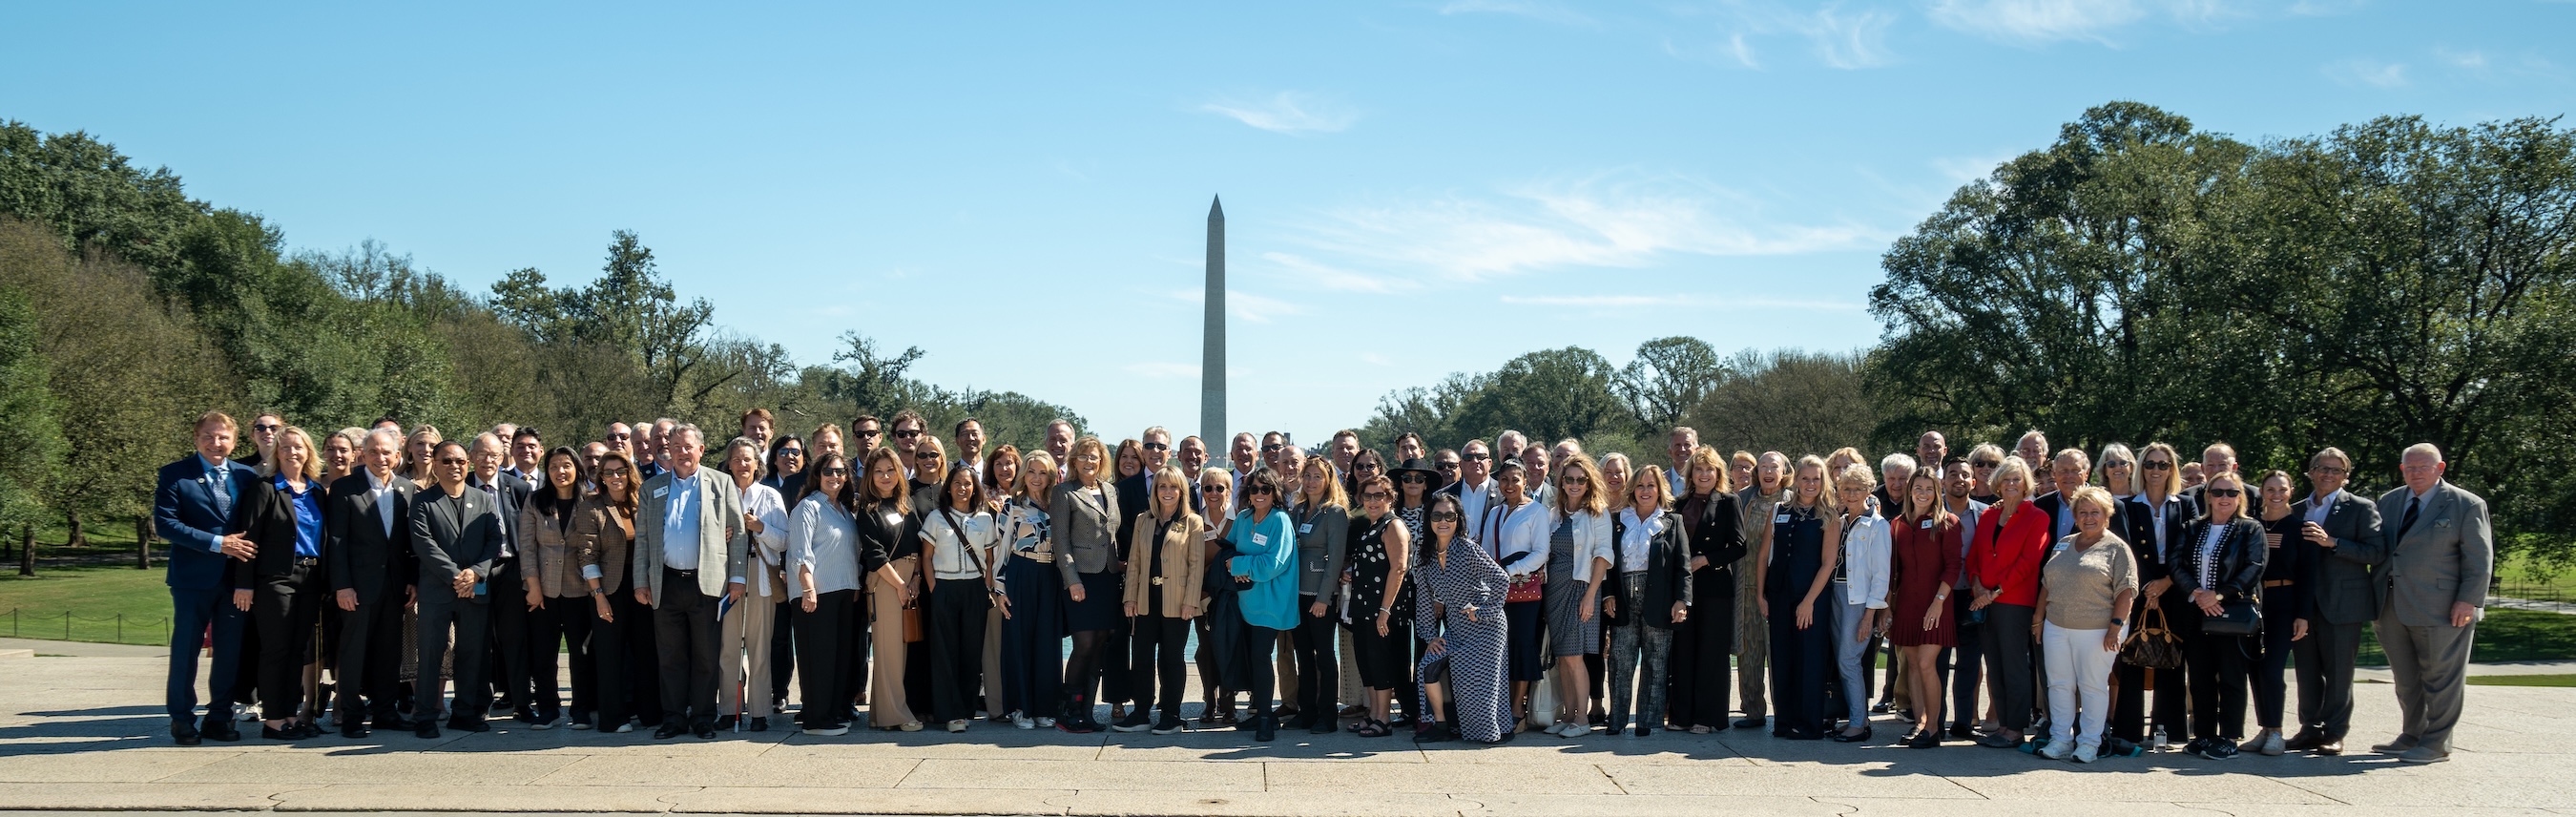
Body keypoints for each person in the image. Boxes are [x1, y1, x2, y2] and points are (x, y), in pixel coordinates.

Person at [2372, 443, 2491, 765]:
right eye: (2409, 467)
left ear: (2440, 468)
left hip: (2443, 607)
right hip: (2391, 603)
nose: (2416, 473)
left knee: (2441, 678)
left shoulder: (2466, 504)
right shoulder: (2390, 501)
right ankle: (2412, 735)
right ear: (2401, 470)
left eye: (2423, 467)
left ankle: (2437, 743)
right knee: (2406, 678)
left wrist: (2468, 601)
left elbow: (2480, 560)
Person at [632, 425, 750, 741]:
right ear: (667, 449)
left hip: (706, 583)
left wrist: (738, 578)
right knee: (670, 655)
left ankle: (702, 717)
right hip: (665, 582)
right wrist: (640, 581)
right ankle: (672, 717)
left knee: (706, 655)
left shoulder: (721, 483)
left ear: (701, 449)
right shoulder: (652, 488)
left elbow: (738, 532)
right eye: (676, 446)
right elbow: (642, 537)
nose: (682, 452)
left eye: (688, 446)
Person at [158, 411, 257, 745]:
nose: (216, 443)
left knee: (229, 653)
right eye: (209, 436)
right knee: (186, 651)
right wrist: (218, 544)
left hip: (234, 581)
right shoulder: (175, 475)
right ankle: (182, 719)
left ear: (234, 440)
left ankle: (220, 717)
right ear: (196, 437)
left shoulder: (247, 476)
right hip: (192, 580)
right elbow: (165, 525)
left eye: (223, 437)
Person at [2032, 486, 2139, 763]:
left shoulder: (2117, 548)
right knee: (2058, 684)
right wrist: (2038, 618)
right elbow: (2047, 582)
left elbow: (2126, 591)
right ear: (2075, 515)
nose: (2089, 518)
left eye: (2095, 512)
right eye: (2083, 512)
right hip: (2057, 626)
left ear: (2107, 515)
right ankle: (2060, 739)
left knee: (2092, 685)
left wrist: (2116, 626)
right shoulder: (2065, 543)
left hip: (2098, 630)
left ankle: (2090, 742)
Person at [233, 425, 326, 740]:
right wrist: (244, 584)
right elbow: (248, 539)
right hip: (277, 578)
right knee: (276, 649)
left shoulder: (316, 490)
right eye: (284, 448)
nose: (291, 452)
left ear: (308, 452)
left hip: (311, 577)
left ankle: (290, 713)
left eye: (298, 447)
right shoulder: (265, 488)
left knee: (298, 650)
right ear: (276, 454)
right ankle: (273, 719)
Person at [2290, 447, 2384, 757]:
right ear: (2312, 472)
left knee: (2340, 673)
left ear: (2346, 477)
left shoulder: (2360, 507)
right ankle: (2309, 729)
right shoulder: (2296, 509)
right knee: (2306, 670)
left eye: (2335, 470)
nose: (2328, 474)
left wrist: (2333, 543)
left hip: (2343, 604)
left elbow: (2375, 552)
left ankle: (2334, 732)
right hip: (2304, 605)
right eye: (2322, 468)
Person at [409, 440, 505, 739]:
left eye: (461, 461)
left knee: (472, 654)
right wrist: (456, 576)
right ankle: (425, 715)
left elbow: (494, 541)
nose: (455, 466)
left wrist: (475, 574)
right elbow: (424, 545)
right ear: (435, 465)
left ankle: (465, 713)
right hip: (437, 591)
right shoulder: (423, 501)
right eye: (447, 461)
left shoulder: (484, 499)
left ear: (469, 464)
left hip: (475, 590)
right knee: (431, 655)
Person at [327, 429, 417, 739]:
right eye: (374, 452)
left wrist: (412, 581)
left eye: (387, 452)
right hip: (357, 589)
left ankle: (385, 712)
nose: (381, 458)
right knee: (353, 654)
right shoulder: (344, 489)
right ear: (362, 455)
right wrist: (342, 585)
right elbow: (336, 542)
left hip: (394, 588)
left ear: (397, 456)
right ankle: (351, 716)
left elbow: (409, 543)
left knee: (388, 653)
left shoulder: (407, 489)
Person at [2171, 470, 2266, 760]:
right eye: (2218, 492)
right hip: (2196, 612)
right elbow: (2176, 563)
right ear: (2208, 496)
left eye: (2231, 492)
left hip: (2231, 613)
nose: (2224, 498)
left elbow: (2254, 566)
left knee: (2231, 676)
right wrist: (2198, 594)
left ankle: (2228, 737)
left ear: (2240, 498)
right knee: (2199, 677)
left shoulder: (2250, 529)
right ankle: (2203, 734)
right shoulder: (2191, 528)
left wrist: (2220, 594)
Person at [1415, 492, 1514, 744]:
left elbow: (1501, 579)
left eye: (1449, 515)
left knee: (1481, 685)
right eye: (1437, 516)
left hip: (1486, 627)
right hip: (1457, 627)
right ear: (1429, 520)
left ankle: (1496, 731)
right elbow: (1425, 599)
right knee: (1428, 666)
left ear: (1458, 520)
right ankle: (1440, 724)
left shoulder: (1467, 548)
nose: (1443, 521)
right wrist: (1430, 635)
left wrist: (1484, 612)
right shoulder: (1425, 554)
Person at [1757, 455, 1841, 741]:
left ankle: (1808, 725)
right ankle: (1784, 722)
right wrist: (1760, 594)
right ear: (1796, 480)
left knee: (1810, 659)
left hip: (1812, 597)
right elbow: (1763, 555)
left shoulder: (1828, 515)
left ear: (1823, 481)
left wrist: (1808, 602)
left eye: (1816, 479)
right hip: (1779, 594)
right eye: (1805, 478)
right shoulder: (1779, 509)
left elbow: (1828, 563)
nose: (1810, 484)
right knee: (1782, 657)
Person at [1603, 465, 1691, 737]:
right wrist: (1607, 593)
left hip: (1659, 598)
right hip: (1623, 596)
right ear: (1632, 489)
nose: (1645, 491)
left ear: (1660, 489)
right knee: (1620, 660)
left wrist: (1681, 601)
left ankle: (1647, 722)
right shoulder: (1617, 520)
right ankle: (1616, 720)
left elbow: (1682, 565)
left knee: (1656, 661)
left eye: (1651, 486)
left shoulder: (1672, 521)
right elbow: (1605, 561)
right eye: (1640, 485)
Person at [1965, 455, 2046, 749]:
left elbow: (2029, 562)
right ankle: (2002, 725)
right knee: (1994, 663)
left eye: (2017, 479)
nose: (2011, 484)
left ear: (2026, 483)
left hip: (2013, 601)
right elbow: (1975, 554)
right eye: (2006, 479)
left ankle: (2015, 728)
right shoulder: (1989, 514)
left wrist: (1995, 592)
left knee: (2014, 665)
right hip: (1984, 600)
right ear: (1997, 484)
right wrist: (1976, 583)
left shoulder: (2037, 517)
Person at [1120, 465, 1206, 735]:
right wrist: (1129, 598)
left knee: (1172, 658)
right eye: (1162, 487)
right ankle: (1141, 712)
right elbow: (1133, 562)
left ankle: (1171, 713)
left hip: (1178, 601)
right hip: (1146, 599)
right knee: (1142, 657)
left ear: (1182, 491)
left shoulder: (1193, 522)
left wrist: (1191, 601)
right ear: (1155, 491)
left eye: (1173, 487)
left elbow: (1196, 565)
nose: (1167, 492)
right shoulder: (1142, 520)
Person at [2116, 443, 2192, 750]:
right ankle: (2128, 732)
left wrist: (2167, 582)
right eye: (2150, 464)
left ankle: (2168, 729)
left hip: (2176, 586)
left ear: (2171, 469)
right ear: (2141, 469)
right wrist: (2148, 587)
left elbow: (2191, 548)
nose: (2156, 470)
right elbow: (2126, 550)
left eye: (2163, 465)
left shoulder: (2185, 505)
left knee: (2172, 659)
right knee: (2133, 658)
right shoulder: (2128, 506)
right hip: (2139, 588)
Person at [919, 464, 1001, 733]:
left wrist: (986, 587)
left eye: (967, 483)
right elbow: (927, 557)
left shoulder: (985, 519)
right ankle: (949, 712)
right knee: (944, 652)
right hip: (944, 587)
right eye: (957, 483)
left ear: (975, 487)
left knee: (970, 652)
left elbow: (990, 560)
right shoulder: (936, 518)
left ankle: (965, 709)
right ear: (948, 487)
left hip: (974, 590)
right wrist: (934, 589)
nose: (962, 488)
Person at [1667, 448, 1743, 734]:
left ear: (1718, 473)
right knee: (1683, 652)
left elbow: (1740, 546)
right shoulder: (1679, 502)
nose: (1704, 474)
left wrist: (1706, 560)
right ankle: (1681, 715)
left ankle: (1709, 718)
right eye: (1699, 469)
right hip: (1684, 586)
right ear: (1691, 473)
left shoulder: (1728, 502)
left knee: (1711, 654)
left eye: (1709, 469)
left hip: (1714, 586)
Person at [517, 446, 593, 731]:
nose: (560, 472)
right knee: (544, 654)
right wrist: (533, 586)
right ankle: (548, 709)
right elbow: (526, 546)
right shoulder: (535, 501)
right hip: (544, 589)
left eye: (566, 465)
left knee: (581, 654)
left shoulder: (590, 500)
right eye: (553, 467)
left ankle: (581, 709)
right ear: (546, 472)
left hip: (580, 588)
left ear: (576, 468)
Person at [1271, 456, 1348, 734]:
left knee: (1324, 656)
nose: (1311, 481)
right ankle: (1306, 712)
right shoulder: (1298, 510)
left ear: (1328, 481)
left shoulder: (1334, 512)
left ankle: (1328, 715)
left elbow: (1336, 558)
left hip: (1319, 595)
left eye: (1317, 476)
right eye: (1308, 476)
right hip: (1296, 593)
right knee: (1303, 654)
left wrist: (1324, 598)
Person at [1221, 467, 1298, 743]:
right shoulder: (1243, 518)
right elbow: (1227, 548)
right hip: (1245, 602)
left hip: (1271, 603)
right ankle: (1260, 710)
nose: (1259, 494)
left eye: (1265, 489)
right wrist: (1233, 563)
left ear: (1275, 492)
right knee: (1252, 658)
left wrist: (1240, 565)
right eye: (1254, 489)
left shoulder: (1281, 521)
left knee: (1261, 657)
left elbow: (1274, 564)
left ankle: (1267, 719)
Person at [787, 451, 862, 736]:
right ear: (818, 475)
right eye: (828, 472)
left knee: (839, 656)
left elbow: (851, 552)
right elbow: (799, 553)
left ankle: (832, 712)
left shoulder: (843, 510)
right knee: (818, 657)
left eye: (840, 472)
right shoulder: (807, 508)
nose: (835, 477)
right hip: (816, 593)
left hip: (844, 593)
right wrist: (807, 588)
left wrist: (853, 585)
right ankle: (816, 718)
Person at [1051, 436, 1123, 732]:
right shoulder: (1063, 492)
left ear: (1101, 460)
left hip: (1108, 578)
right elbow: (1061, 540)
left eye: (1094, 457)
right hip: (1080, 579)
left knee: (1101, 644)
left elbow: (1113, 534)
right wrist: (1072, 581)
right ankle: (1068, 710)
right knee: (1084, 644)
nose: (1089, 461)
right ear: (1074, 460)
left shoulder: (1110, 491)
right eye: (1083, 456)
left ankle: (1087, 711)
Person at [1536, 453, 1610, 737]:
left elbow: (1604, 555)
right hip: (1554, 590)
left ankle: (1582, 719)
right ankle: (1568, 715)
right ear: (1562, 482)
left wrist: (1591, 595)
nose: (1575, 484)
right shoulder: (1555, 514)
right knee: (1564, 656)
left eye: (1581, 479)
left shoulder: (1597, 512)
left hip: (1580, 588)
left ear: (1589, 482)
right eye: (1570, 479)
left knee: (1575, 656)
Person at [717, 437, 788, 731]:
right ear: (729, 464)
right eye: (736, 459)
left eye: (748, 459)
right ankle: (728, 710)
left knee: (759, 646)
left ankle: (759, 711)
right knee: (728, 646)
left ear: (758, 463)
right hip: (727, 576)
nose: (742, 464)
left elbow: (784, 539)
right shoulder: (719, 493)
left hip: (760, 574)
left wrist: (760, 527)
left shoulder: (770, 496)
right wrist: (723, 536)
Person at [1887, 469, 1962, 748]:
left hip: (1937, 605)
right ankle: (1920, 724)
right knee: (1913, 668)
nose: (1923, 493)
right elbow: (1893, 570)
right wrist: (1887, 608)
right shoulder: (1898, 524)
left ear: (1937, 491)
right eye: (1918, 487)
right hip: (1907, 604)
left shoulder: (1948, 523)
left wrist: (1939, 602)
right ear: (1910, 491)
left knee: (1927, 664)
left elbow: (1954, 566)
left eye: (1929, 488)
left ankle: (1933, 727)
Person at [463, 433, 534, 723]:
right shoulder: (462, 486)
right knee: (477, 639)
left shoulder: (517, 488)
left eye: (494, 455)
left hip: (510, 569)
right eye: (482, 454)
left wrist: (529, 575)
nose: (488, 460)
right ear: (472, 457)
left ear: (503, 458)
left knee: (514, 637)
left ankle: (522, 702)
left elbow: (528, 536)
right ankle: (479, 703)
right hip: (476, 573)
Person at [575, 451, 645, 733]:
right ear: (600, 477)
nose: (615, 477)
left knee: (644, 652)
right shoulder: (591, 506)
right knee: (609, 654)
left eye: (620, 471)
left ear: (629, 473)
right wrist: (599, 595)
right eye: (609, 472)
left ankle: (648, 712)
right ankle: (613, 717)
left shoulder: (641, 503)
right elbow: (586, 555)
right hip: (608, 589)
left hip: (640, 585)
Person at [855, 447, 924, 732]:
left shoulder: (905, 505)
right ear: (870, 475)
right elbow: (875, 555)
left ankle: (880, 715)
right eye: (879, 471)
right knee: (888, 650)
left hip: (910, 581)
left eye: (890, 470)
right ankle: (895, 714)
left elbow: (919, 544)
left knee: (901, 648)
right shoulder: (867, 511)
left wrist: (916, 578)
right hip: (886, 583)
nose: (885, 476)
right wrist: (899, 585)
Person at [2243, 469, 2311, 756]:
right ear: (2261, 492)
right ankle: (2265, 728)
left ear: (2291, 492)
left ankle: (2277, 731)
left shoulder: (2300, 528)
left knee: (2272, 669)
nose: (2276, 494)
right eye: (2270, 489)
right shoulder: (2251, 526)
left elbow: (2309, 575)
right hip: (2254, 601)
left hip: (2285, 602)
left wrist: (2303, 614)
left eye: (2282, 489)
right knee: (2256, 668)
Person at [1339, 473, 1411, 738]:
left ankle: (1384, 719)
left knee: (1380, 662)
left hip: (1383, 610)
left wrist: (1385, 611)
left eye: (1378, 495)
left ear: (1390, 498)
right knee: (1367, 662)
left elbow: (1399, 568)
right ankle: (1373, 714)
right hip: (1362, 607)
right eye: (1367, 496)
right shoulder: (1372, 526)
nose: (1372, 501)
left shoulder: (1393, 526)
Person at [997, 451, 1065, 729]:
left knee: (1047, 642)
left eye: (1043, 473)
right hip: (1021, 573)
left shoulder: (1058, 504)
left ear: (1051, 476)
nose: (1037, 478)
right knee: (1019, 641)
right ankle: (1019, 707)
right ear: (1024, 474)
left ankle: (1044, 708)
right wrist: (999, 590)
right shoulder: (1012, 506)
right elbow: (1000, 549)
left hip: (1050, 575)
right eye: (1032, 471)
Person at [1481, 457, 1548, 729]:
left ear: (1525, 481)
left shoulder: (1536, 512)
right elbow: (1485, 551)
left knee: (1522, 643)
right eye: (1504, 480)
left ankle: (1517, 708)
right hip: (1497, 592)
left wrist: (1510, 570)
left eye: (1515, 479)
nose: (1509, 485)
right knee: (1501, 647)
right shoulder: (1494, 513)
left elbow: (1542, 552)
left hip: (1524, 592)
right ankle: (1501, 705)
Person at [1829, 464, 1892, 743]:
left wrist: (1870, 614)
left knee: (1849, 659)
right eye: (1846, 489)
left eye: (1857, 489)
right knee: (1842, 661)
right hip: (1835, 594)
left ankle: (1859, 723)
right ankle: (1857, 717)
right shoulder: (1840, 521)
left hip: (1858, 600)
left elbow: (1881, 575)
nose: (1852, 494)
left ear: (1869, 490)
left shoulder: (1878, 525)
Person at [1733, 450, 1789, 731]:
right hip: (1746, 586)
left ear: (1784, 472)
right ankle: (1753, 709)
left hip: (1779, 590)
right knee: (1749, 651)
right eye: (1763, 466)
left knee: (1779, 650)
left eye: (1774, 467)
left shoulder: (1792, 500)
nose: (1768, 471)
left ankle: (1785, 712)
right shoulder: (1744, 499)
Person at [1940, 459, 1990, 740]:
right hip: (1940, 597)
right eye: (1953, 474)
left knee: (1969, 662)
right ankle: (1935, 721)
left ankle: (1963, 722)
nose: (1959, 478)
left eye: (1965, 475)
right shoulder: (1932, 513)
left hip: (1973, 597)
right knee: (1938, 661)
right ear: (1943, 481)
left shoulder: (1986, 515)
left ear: (1973, 482)